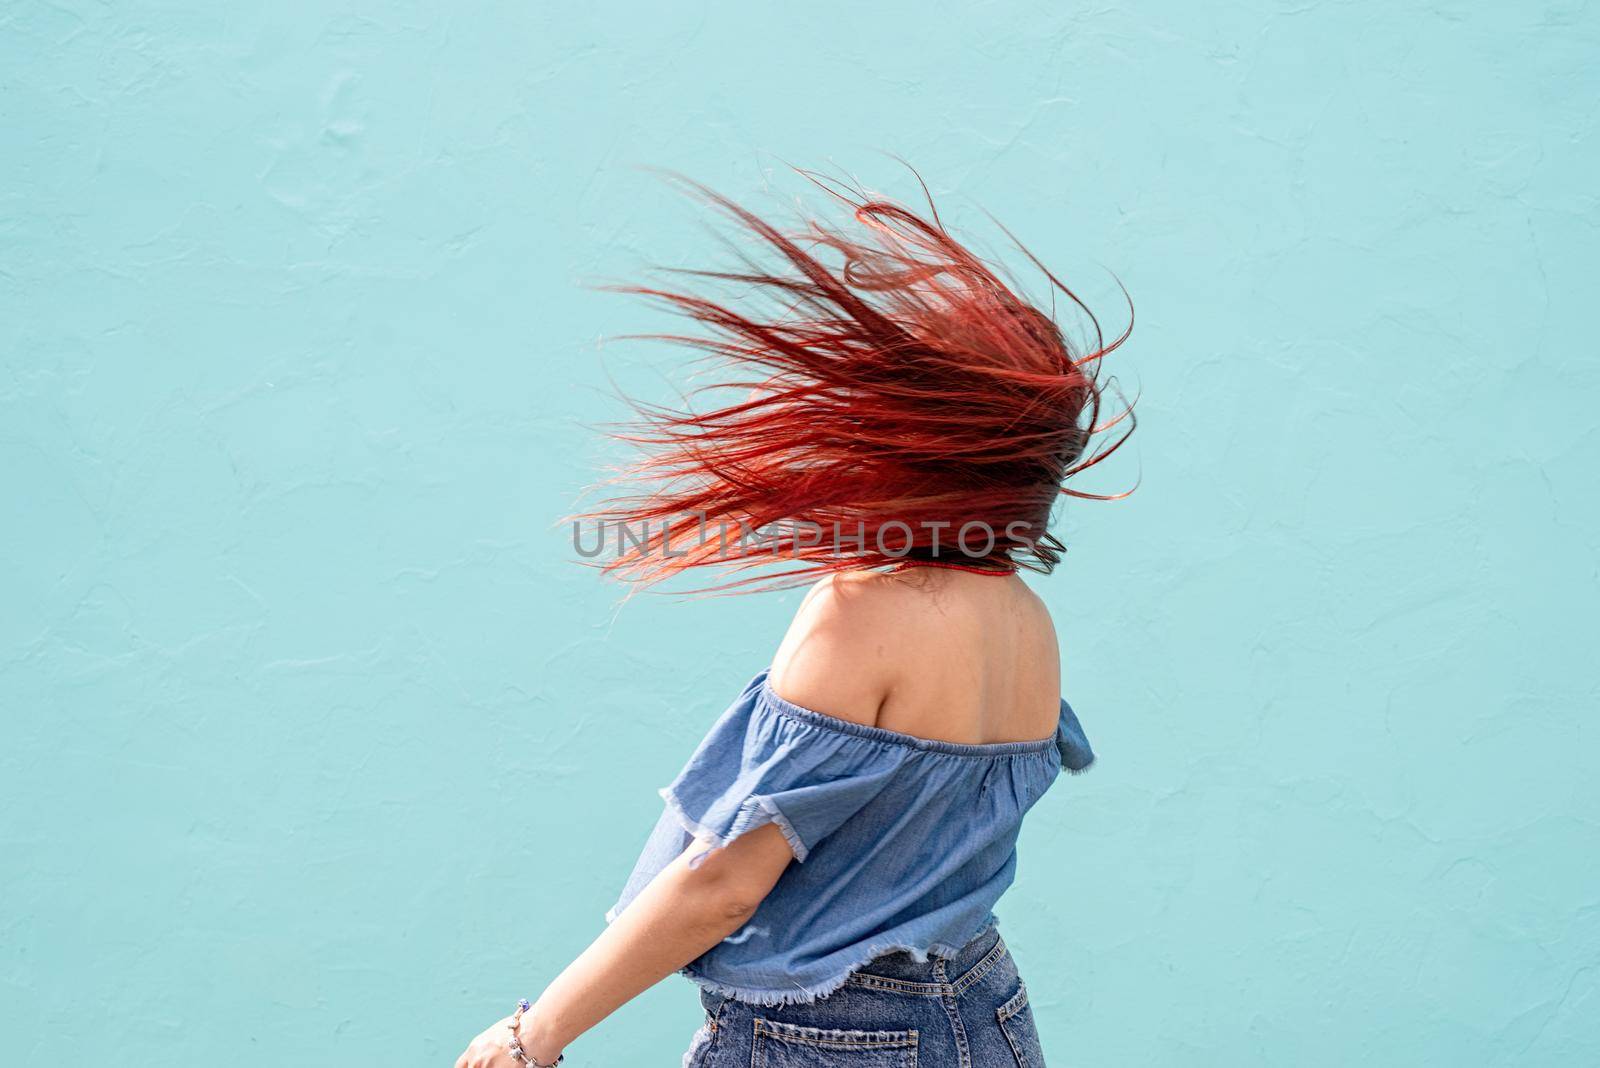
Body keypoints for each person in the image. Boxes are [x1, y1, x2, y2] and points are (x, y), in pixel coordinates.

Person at [455, 171, 1133, 1067]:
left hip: (834, 1037)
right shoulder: (1028, 622)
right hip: (988, 1013)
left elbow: (726, 884)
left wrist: (533, 1034)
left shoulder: (860, 616)